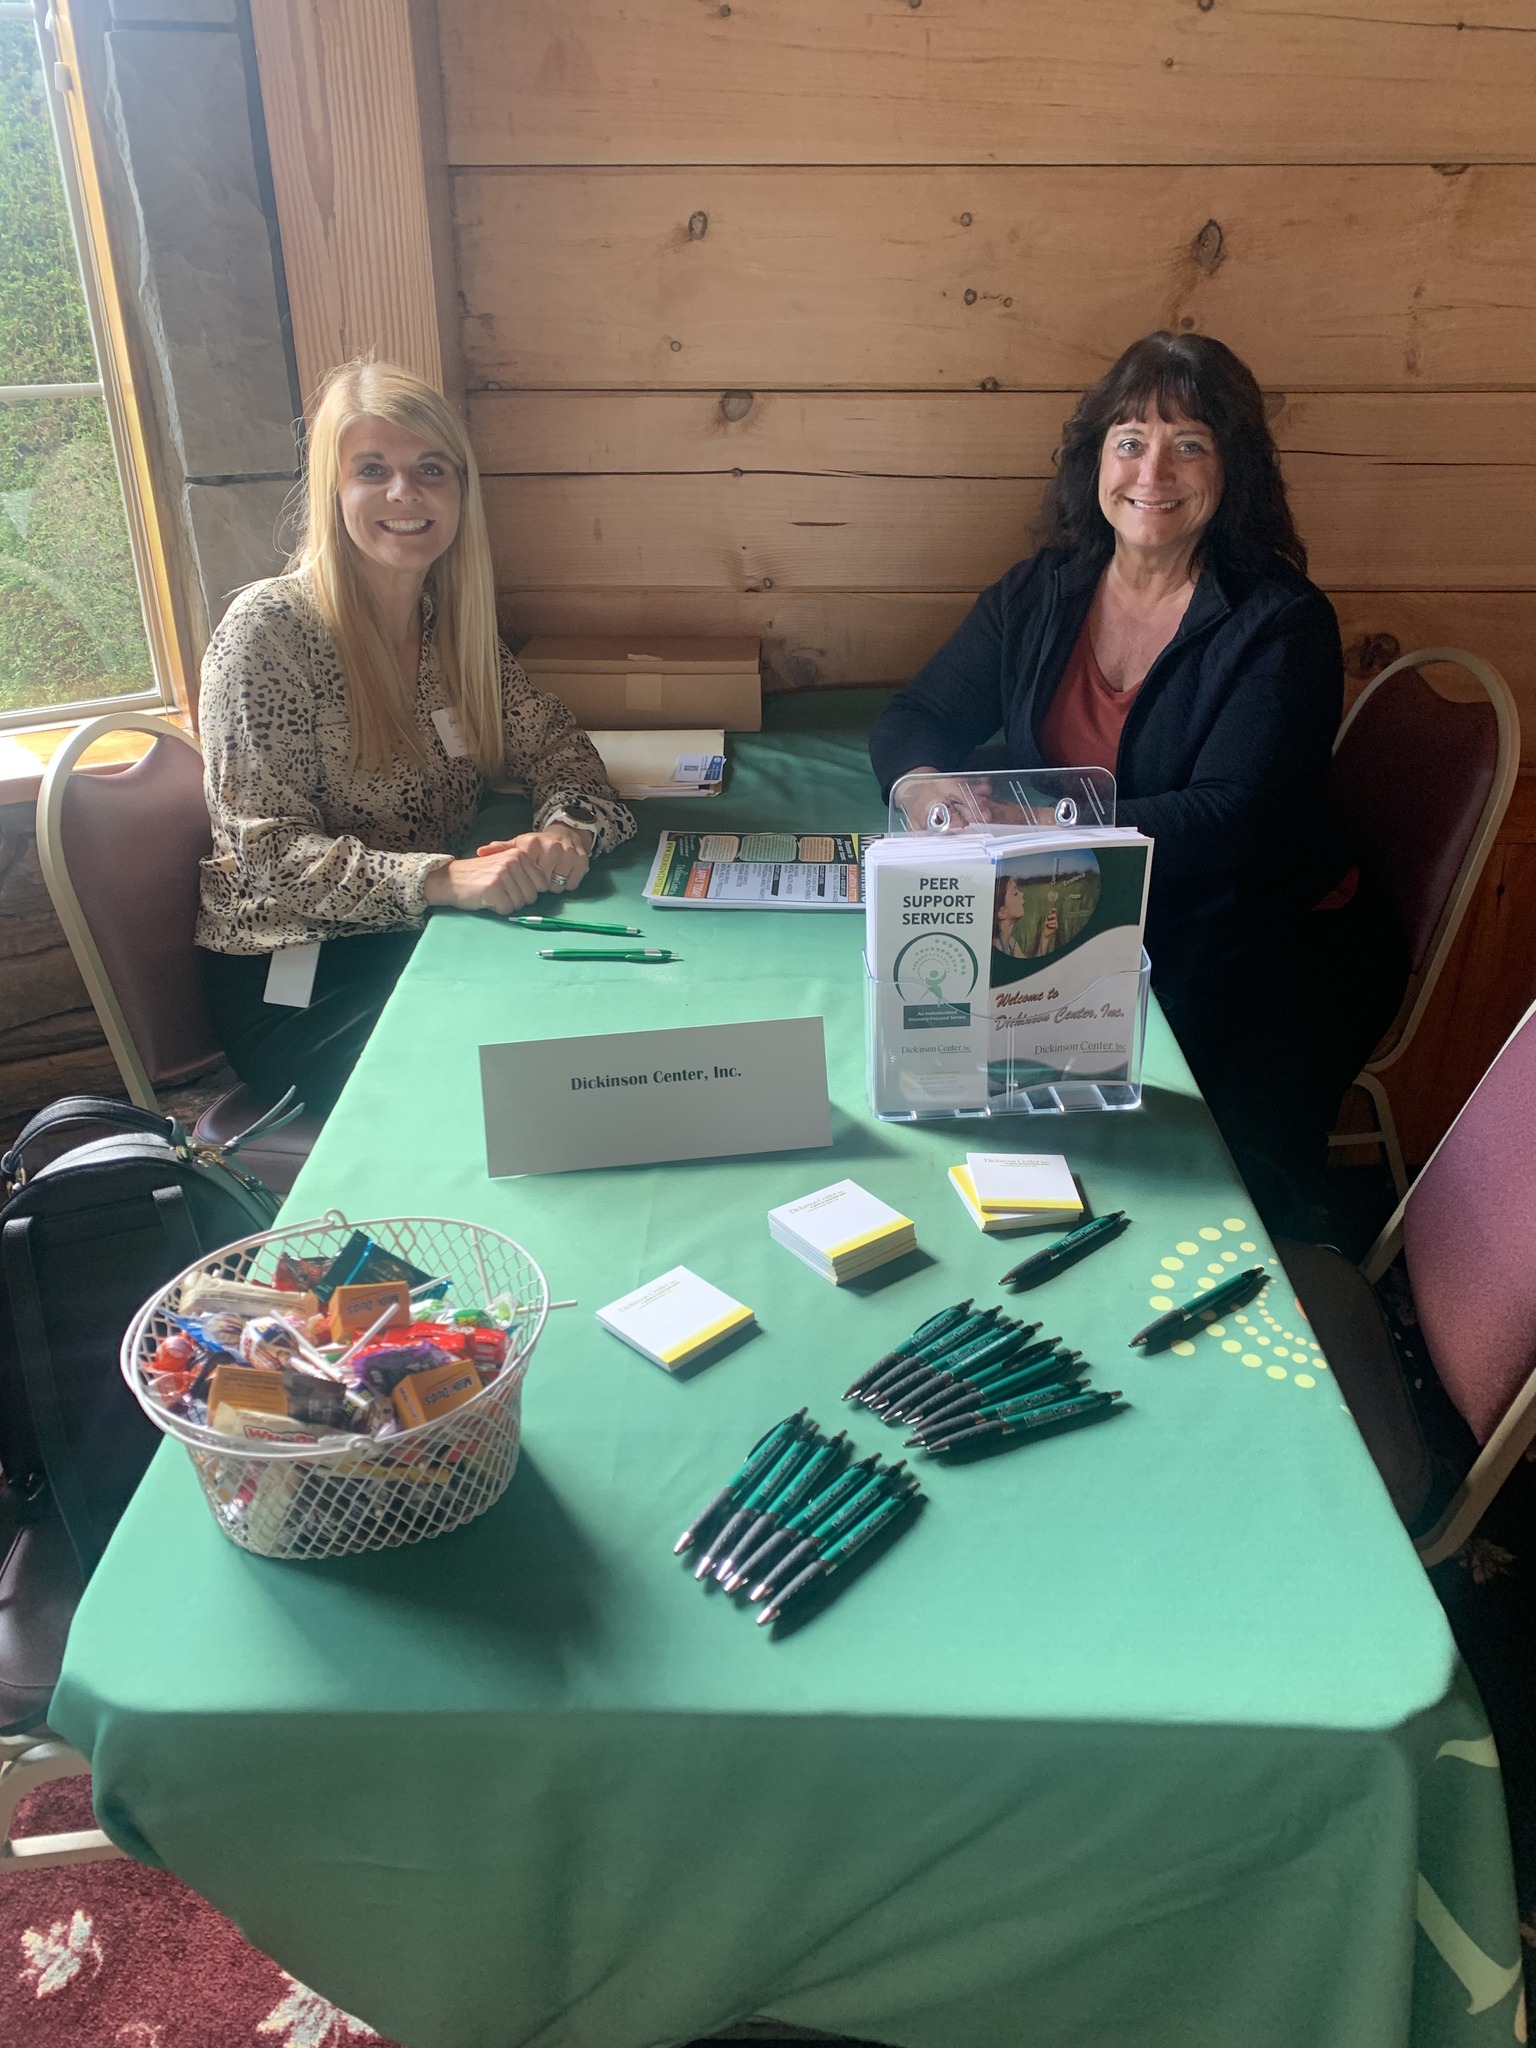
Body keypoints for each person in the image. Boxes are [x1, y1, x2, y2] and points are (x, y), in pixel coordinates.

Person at [869, 331, 1408, 1228]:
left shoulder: (1282, 624)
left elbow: (1227, 819)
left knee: (1148, 1188)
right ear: (1096, 463)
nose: (1152, 471)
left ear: (1231, 470)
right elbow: (912, 717)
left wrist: (1033, 825)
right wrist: (926, 786)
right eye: (1130, 441)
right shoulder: (1042, 591)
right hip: (1076, 913)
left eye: (1189, 444)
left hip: (1245, 948)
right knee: (929, 1058)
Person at [196, 359, 634, 1116]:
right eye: (374, 469)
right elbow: (268, 855)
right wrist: (442, 879)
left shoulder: (449, 633)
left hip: (419, 938)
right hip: (297, 974)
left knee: (593, 1010)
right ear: (335, 493)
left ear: (460, 492)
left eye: (430, 469)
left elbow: (560, 748)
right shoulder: (269, 633)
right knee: (527, 1088)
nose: (406, 493)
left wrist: (566, 834)